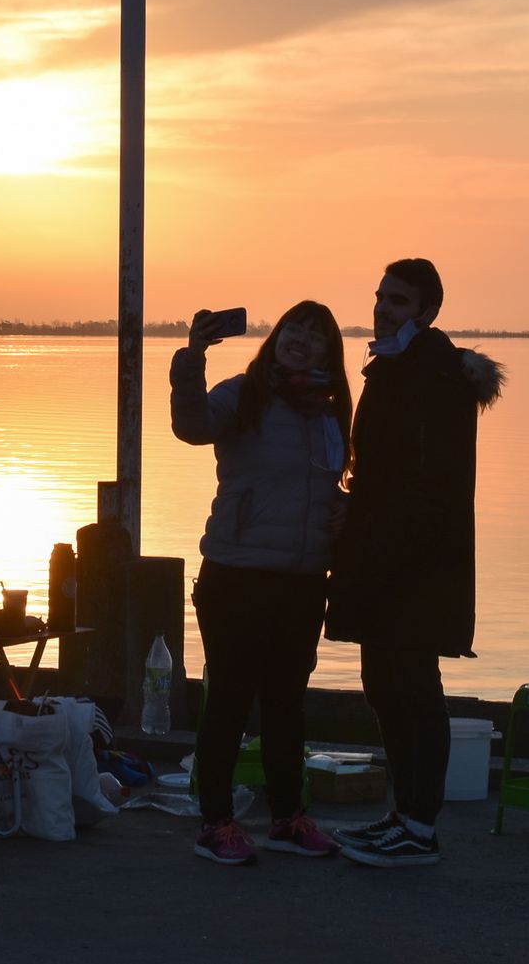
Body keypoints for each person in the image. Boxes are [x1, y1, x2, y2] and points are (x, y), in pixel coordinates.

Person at [325, 257, 504, 867]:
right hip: (380, 551)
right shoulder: (392, 366)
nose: (383, 307)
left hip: (418, 561)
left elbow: (432, 483)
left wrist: (375, 522)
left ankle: (421, 825)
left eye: (398, 301)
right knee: (383, 686)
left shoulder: (434, 374)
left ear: (426, 312)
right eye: (381, 296)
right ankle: (402, 812)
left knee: (414, 688)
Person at [170, 300, 353, 866]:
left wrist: (348, 506)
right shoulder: (243, 393)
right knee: (228, 700)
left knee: (285, 705)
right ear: (276, 337)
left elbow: (328, 482)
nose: (301, 339)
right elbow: (191, 426)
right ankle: (215, 824)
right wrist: (192, 357)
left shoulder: (329, 409)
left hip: (301, 579)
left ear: (329, 351)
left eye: (315, 335)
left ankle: (286, 819)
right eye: (293, 328)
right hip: (236, 574)